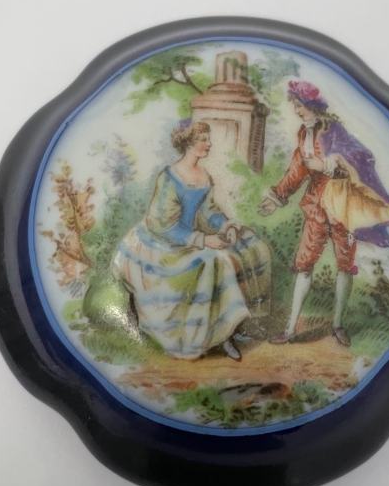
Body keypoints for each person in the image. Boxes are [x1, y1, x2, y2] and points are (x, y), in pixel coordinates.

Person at [112, 119, 271, 361]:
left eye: (208, 139)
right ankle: (216, 336)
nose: (209, 144)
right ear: (188, 143)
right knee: (215, 261)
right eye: (203, 140)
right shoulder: (169, 177)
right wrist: (204, 240)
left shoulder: (204, 176)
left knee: (250, 245)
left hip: (188, 239)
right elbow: (161, 225)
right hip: (162, 245)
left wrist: (225, 226)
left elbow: (209, 211)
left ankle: (229, 327)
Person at [258, 80, 389, 347]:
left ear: (311, 105)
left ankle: (337, 325)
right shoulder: (304, 133)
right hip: (316, 205)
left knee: (345, 264)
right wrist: (277, 197)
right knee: (304, 263)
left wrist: (326, 165)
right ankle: (290, 329)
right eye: (294, 105)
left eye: (299, 105)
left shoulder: (335, 130)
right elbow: (297, 169)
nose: (296, 110)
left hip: (342, 207)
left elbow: (360, 158)